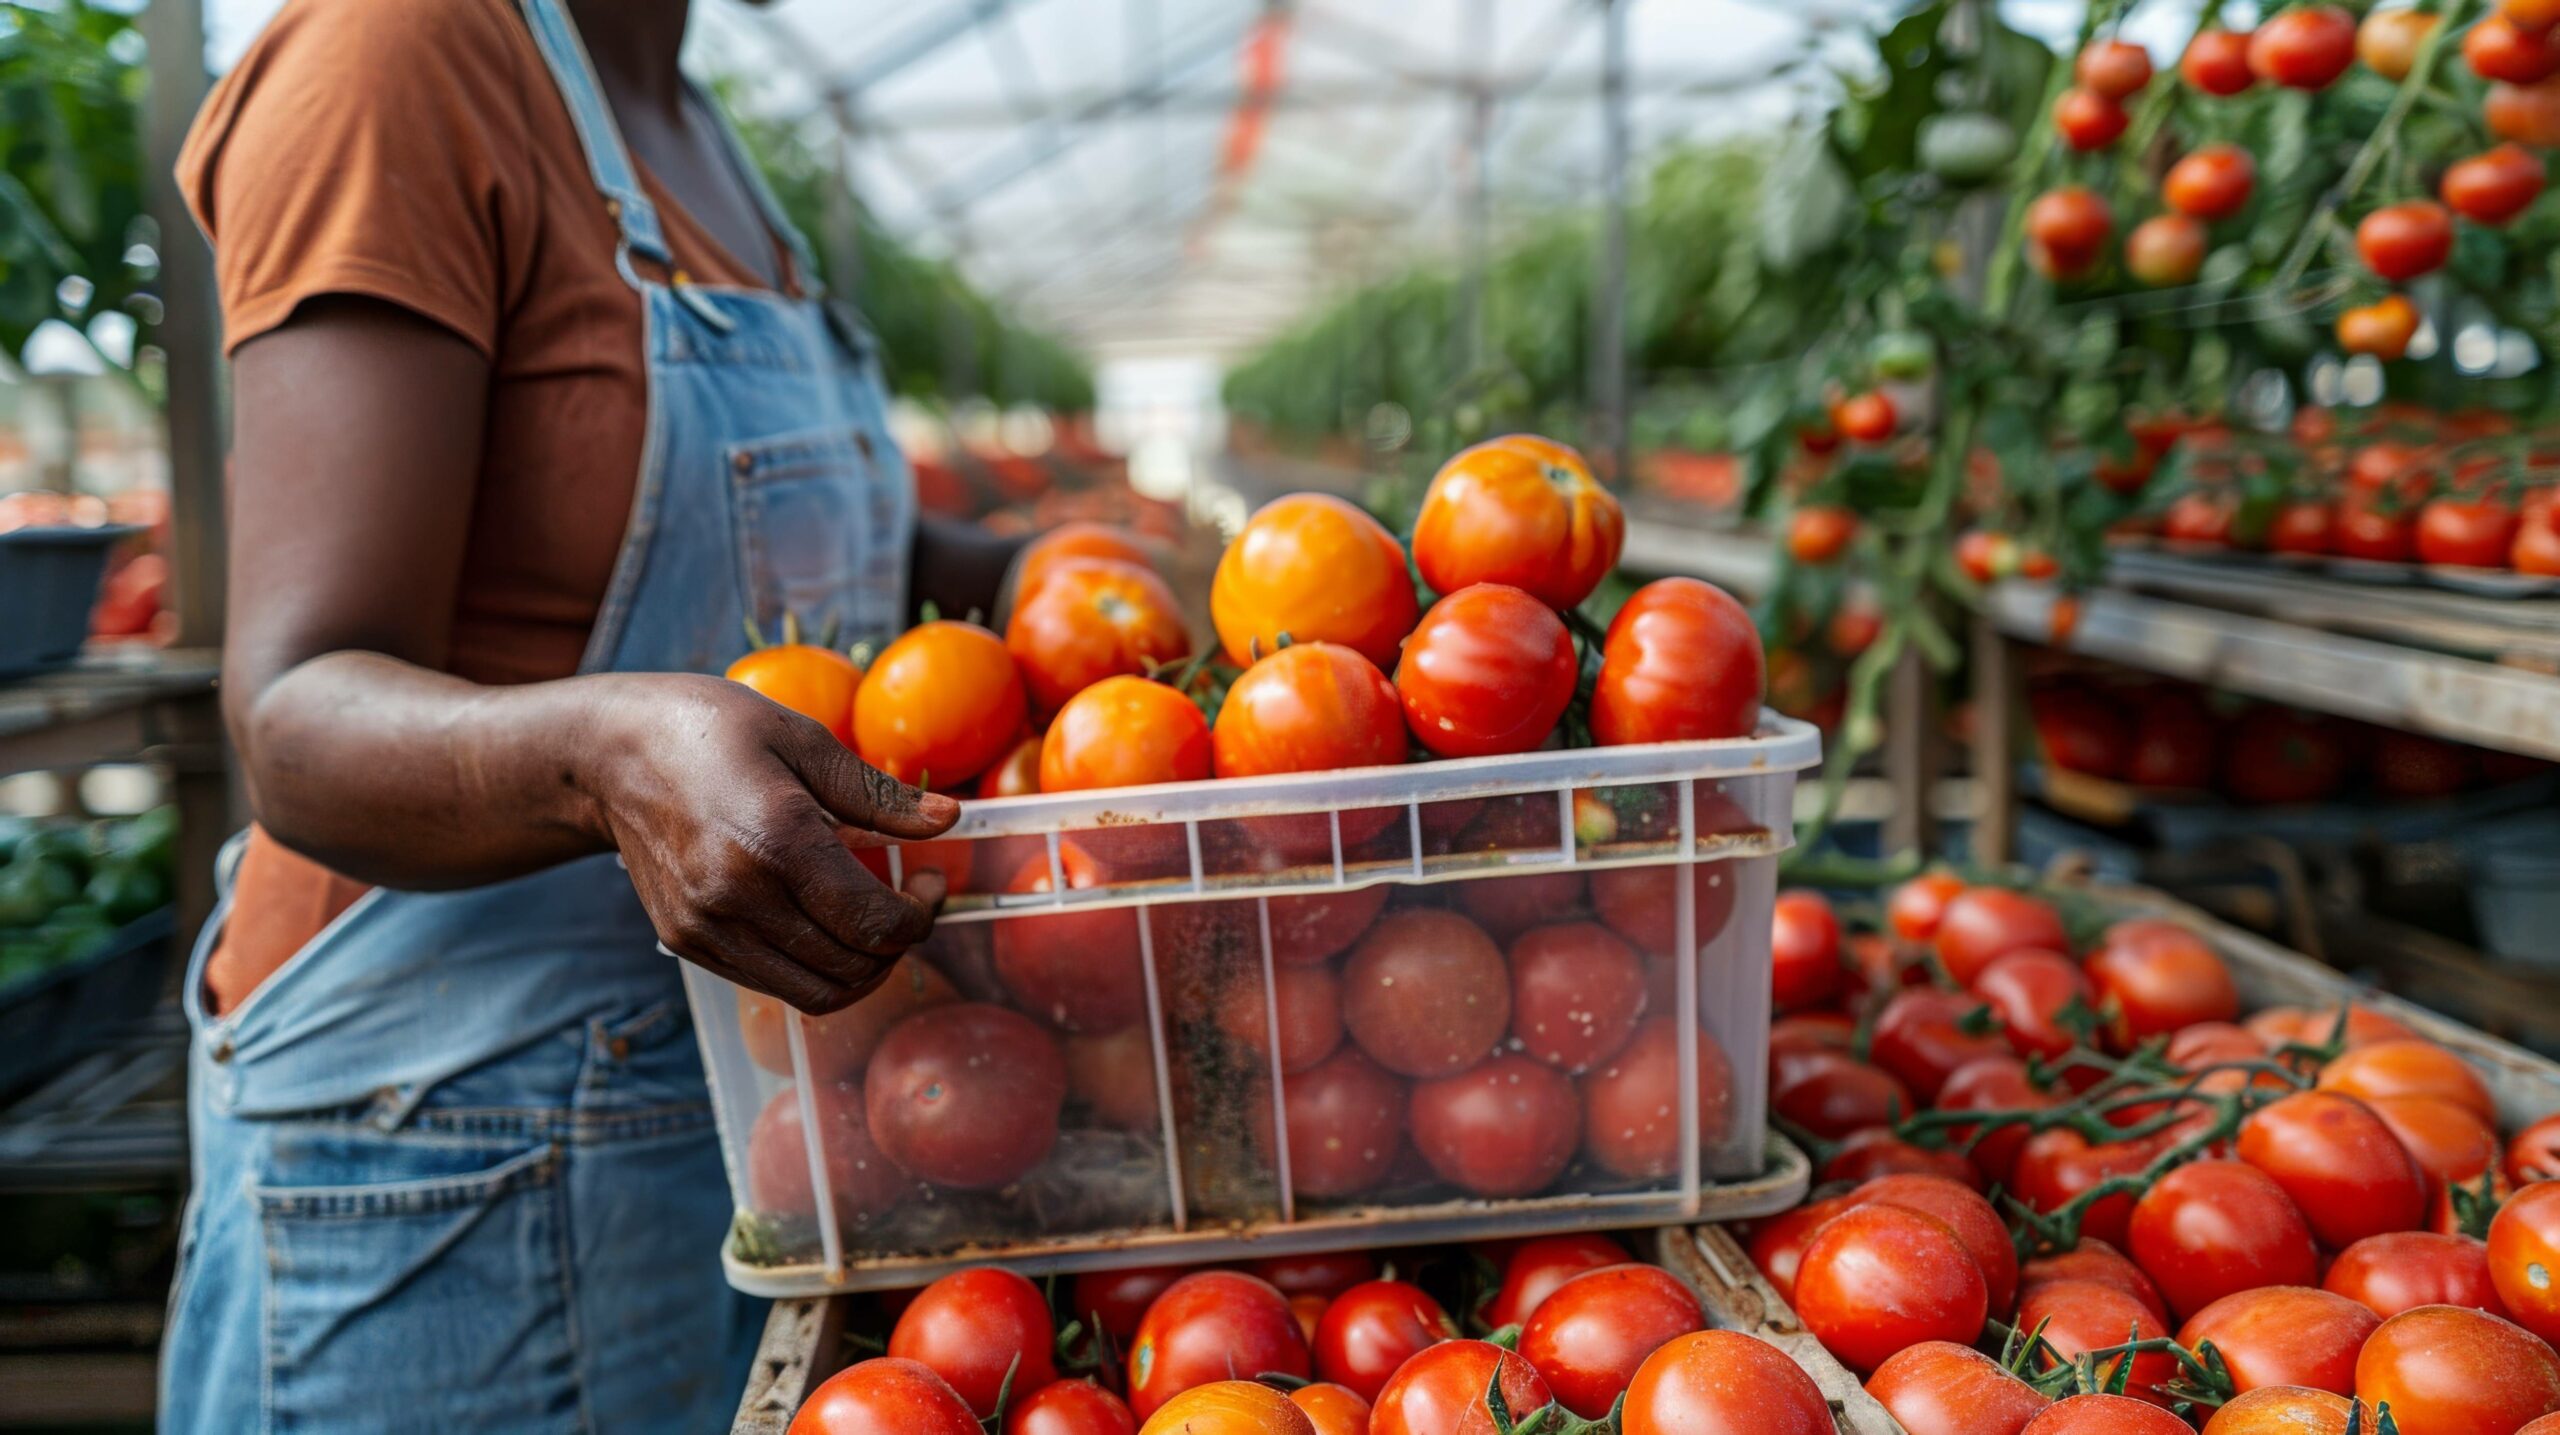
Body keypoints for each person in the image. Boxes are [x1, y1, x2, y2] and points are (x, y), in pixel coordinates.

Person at [162, 0, 1018, 1427]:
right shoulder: (396, 52)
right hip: (438, 1166)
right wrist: (608, 755)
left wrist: (1050, 579)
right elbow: (293, 712)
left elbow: (834, 552)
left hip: (726, 1130)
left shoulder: (691, 124)